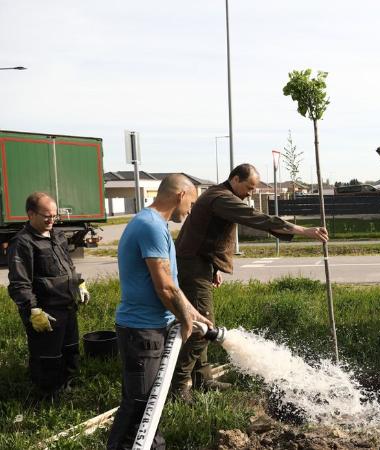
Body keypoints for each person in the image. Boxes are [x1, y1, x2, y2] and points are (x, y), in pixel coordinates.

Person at [172, 163, 328, 399]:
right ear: (235, 179)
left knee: (200, 322)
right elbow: (257, 218)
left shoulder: (218, 194)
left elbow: (200, 234)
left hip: (197, 261)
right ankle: (179, 386)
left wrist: (212, 266)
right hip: (192, 265)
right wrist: (303, 230)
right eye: (249, 187)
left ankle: (202, 379)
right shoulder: (222, 198)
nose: (251, 193)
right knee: (204, 325)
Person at [107, 174, 212, 450]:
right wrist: (185, 318)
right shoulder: (150, 226)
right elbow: (164, 287)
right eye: (192, 201)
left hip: (148, 328)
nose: (191, 209)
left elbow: (172, 283)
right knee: (143, 405)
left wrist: (193, 312)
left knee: (142, 401)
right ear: (180, 195)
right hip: (143, 331)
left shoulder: (154, 224)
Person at [8, 192, 90, 398]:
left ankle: (69, 387)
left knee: (70, 350)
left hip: (68, 306)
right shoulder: (23, 243)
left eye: (54, 216)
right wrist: (33, 310)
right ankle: (47, 396)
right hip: (46, 311)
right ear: (30, 214)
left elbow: (67, 266)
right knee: (48, 357)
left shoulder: (57, 236)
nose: (52, 220)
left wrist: (79, 283)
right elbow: (20, 283)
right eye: (47, 216)